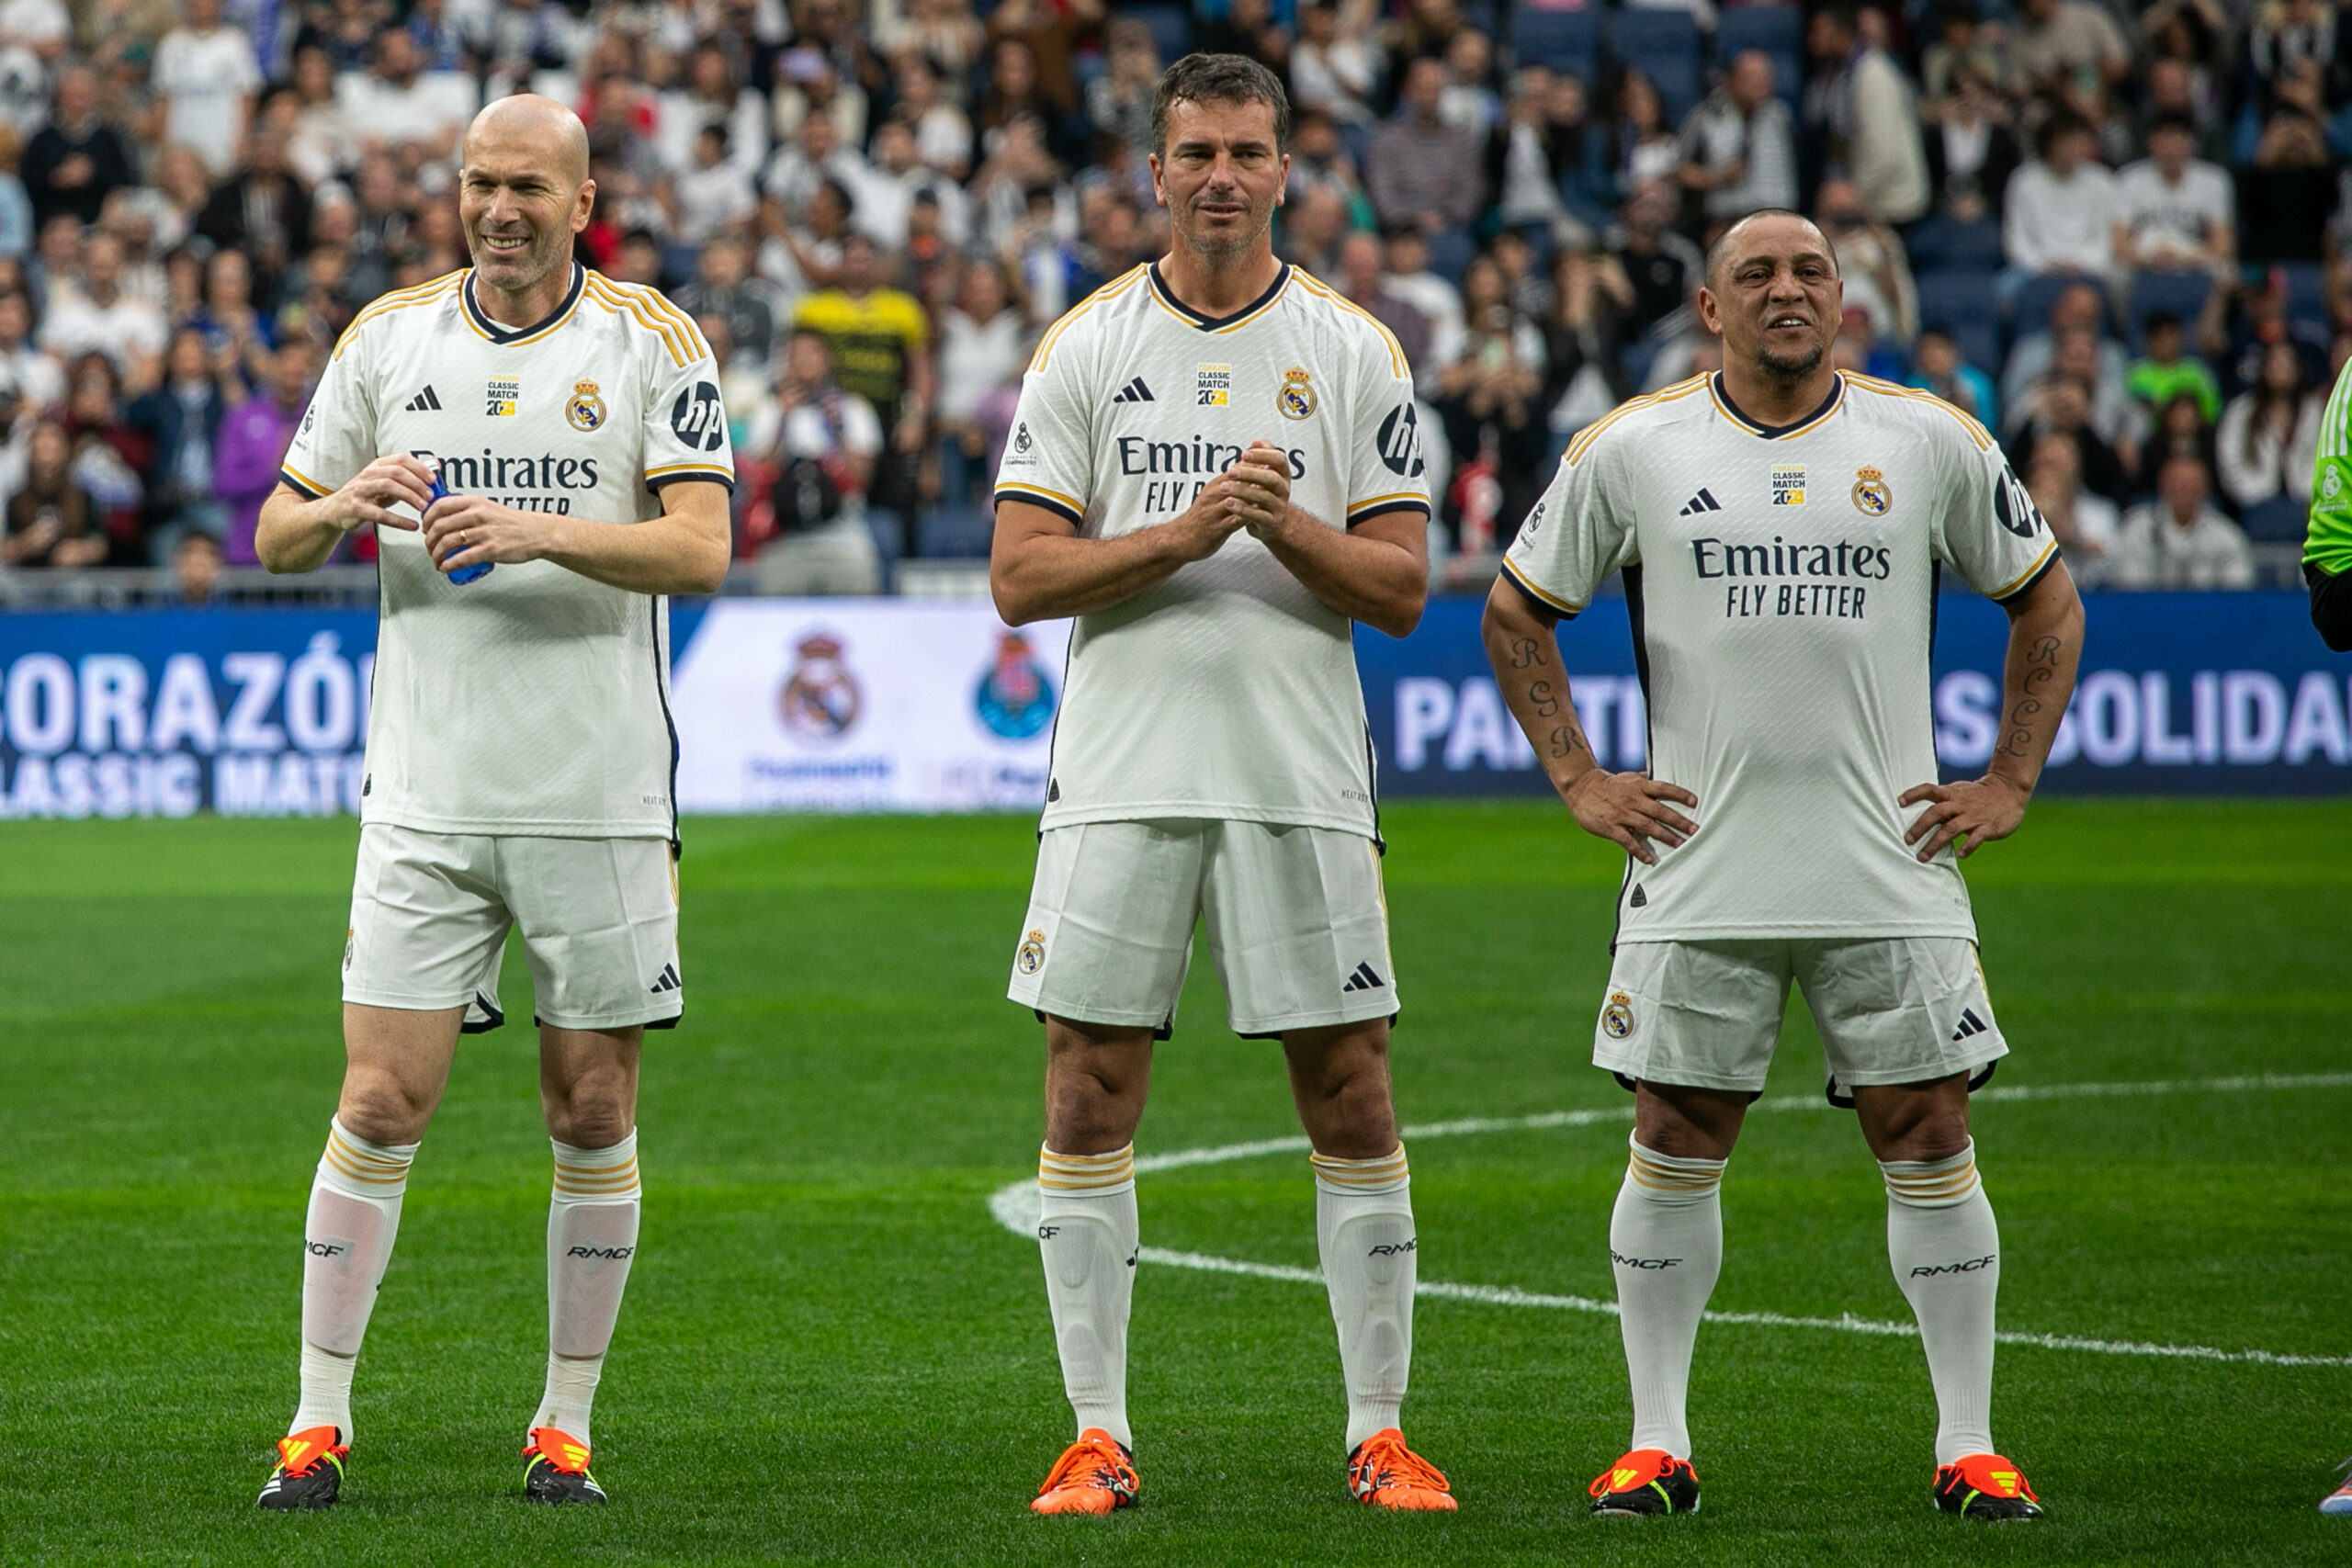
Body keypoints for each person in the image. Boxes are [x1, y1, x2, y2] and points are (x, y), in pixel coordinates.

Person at [1481, 207, 2083, 1521]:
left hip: (1892, 858)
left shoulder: (1927, 440)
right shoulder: (1633, 449)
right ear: (1711, 307)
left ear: (1845, 296)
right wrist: (1581, 776)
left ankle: (1969, 1444)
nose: (1788, 290)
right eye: (1756, 272)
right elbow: (1516, 605)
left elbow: (2046, 594)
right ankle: (1656, 1441)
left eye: (1812, 269)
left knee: (1930, 1129)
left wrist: (2011, 777)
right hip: (1698, 861)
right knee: (1672, 1133)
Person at [250, 94, 734, 1512]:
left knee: (590, 1107)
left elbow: (701, 547)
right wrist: (344, 503)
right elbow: (275, 533)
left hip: (597, 795)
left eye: (528, 184)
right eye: (479, 183)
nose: (499, 207)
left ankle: (564, 1424)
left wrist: (533, 527)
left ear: (584, 201)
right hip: (426, 795)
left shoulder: (652, 341)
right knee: (380, 1094)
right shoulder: (387, 338)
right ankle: (315, 1419)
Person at [989, 53, 1452, 1516]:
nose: (1222, 177)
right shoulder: (1084, 347)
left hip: (1300, 776)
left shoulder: (1353, 348)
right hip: (1122, 773)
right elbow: (1019, 575)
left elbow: (1400, 586)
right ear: (1156, 170)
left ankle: (1378, 1428)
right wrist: (1182, 535)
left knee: (1350, 1085)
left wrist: (1287, 526)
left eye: (1248, 152)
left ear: (1286, 171)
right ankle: (1097, 1428)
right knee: (1088, 1082)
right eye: (1196, 152)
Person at [2110, 455, 2256, 588]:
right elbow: (2128, 586)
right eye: (2176, 482)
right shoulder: (2137, 528)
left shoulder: (2226, 534)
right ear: (2161, 485)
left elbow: (2238, 590)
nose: (2183, 489)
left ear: (2205, 488)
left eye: (2191, 483)